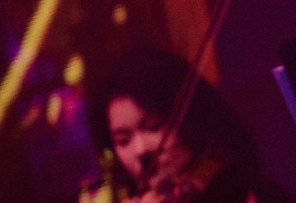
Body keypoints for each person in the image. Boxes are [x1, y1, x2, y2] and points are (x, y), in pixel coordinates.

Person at [85, 49, 285, 203]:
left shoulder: (245, 191)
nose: (141, 149)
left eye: (154, 126)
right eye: (123, 141)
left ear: (193, 118)